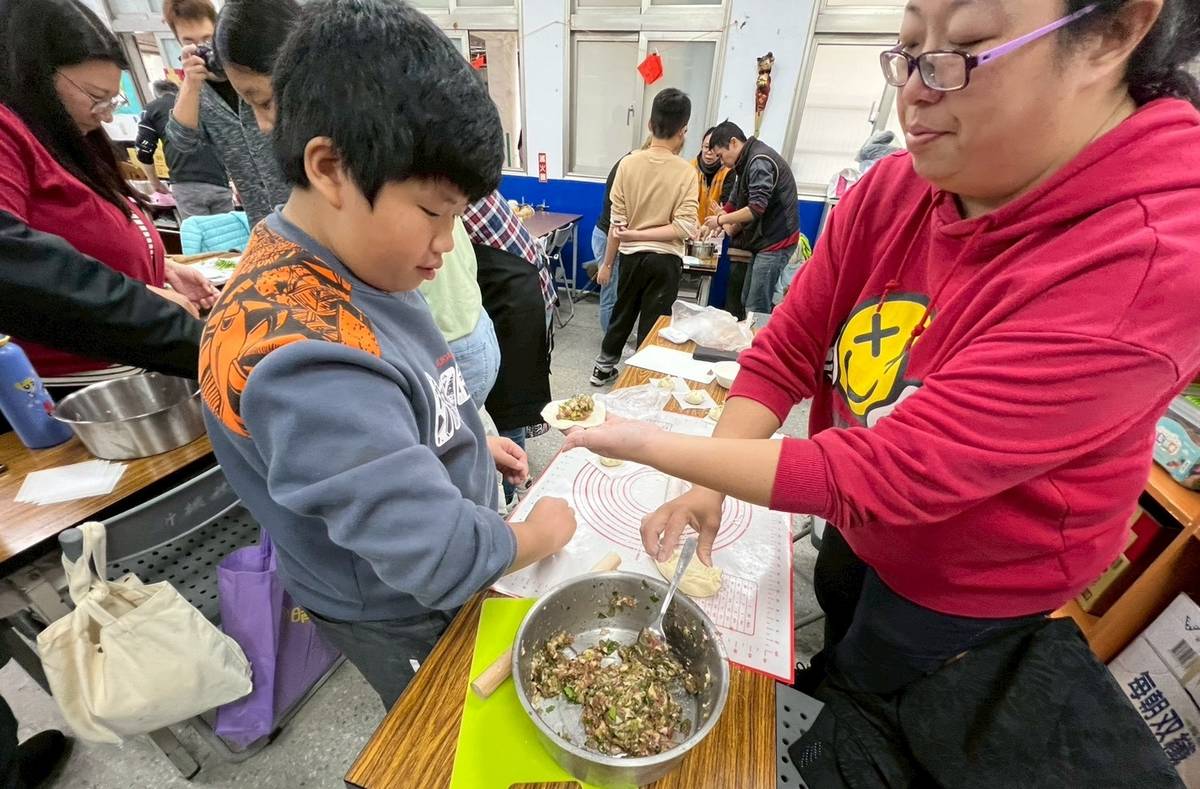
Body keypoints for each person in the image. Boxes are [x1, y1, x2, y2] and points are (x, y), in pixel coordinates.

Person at [567, 0, 1200, 726]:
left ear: (1113, 34)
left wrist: (656, 446)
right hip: (858, 520)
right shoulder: (899, 186)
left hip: (969, 583)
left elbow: (894, 473)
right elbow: (788, 348)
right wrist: (710, 478)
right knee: (840, 613)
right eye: (907, 52)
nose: (916, 92)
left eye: (962, 49)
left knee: (879, 696)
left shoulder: (1151, 258)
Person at [198, 0, 576, 709]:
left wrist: (461, 445)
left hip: (422, 557)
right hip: (396, 606)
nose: (445, 243)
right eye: (434, 212)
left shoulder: (358, 261)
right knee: (443, 719)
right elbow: (438, 555)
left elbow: (398, 398)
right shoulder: (299, 356)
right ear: (330, 167)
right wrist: (537, 532)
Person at [0, 0, 215, 400]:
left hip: (136, 368)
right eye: (97, 98)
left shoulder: (64, 138)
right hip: (78, 390)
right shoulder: (8, 133)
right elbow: (20, 268)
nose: (106, 116)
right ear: (33, 75)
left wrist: (156, 266)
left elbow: (80, 233)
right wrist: (154, 309)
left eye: (113, 101)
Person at [590, 90, 698, 387]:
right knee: (654, 321)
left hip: (630, 257)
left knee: (622, 312)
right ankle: (642, 381)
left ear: (650, 125)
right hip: (666, 261)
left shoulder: (628, 164)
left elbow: (617, 224)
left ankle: (603, 368)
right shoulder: (687, 172)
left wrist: (607, 263)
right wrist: (643, 235)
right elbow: (684, 227)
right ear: (683, 130)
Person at [463, 191, 558, 504]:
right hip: (517, 292)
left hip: (515, 299)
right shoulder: (468, 187)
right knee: (508, 401)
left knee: (508, 405)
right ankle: (512, 485)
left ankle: (509, 492)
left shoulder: (450, 193)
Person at [163, 0, 290, 226]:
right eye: (189, 42)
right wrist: (190, 84)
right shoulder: (197, 93)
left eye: (207, 38)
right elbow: (182, 142)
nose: (201, 48)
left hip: (299, 200)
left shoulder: (252, 73)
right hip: (260, 215)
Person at [705, 122, 799, 316]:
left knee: (756, 306)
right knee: (746, 298)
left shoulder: (758, 161)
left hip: (776, 242)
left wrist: (721, 221)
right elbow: (735, 198)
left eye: (721, 155)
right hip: (764, 242)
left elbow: (755, 208)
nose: (721, 162)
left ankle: (760, 335)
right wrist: (721, 215)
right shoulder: (745, 161)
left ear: (733, 142)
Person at [135, 80, 232, 220]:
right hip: (219, 180)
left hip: (186, 182)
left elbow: (144, 151)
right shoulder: (204, 103)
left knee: (198, 231)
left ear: (156, 94)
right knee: (228, 230)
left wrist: (155, 183)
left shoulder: (152, 108)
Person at [592, 138, 652, 334]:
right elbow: (616, 225)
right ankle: (610, 342)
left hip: (615, 237)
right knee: (610, 294)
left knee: (618, 293)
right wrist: (607, 265)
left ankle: (617, 336)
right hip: (608, 237)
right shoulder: (628, 167)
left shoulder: (633, 164)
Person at [693, 127, 735, 227]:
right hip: (692, 225)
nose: (709, 152)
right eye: (706, 147)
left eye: (713, 148)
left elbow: (726, 205)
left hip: (716, 226)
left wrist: (714, 224)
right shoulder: (690, 168)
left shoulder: (728, 172)